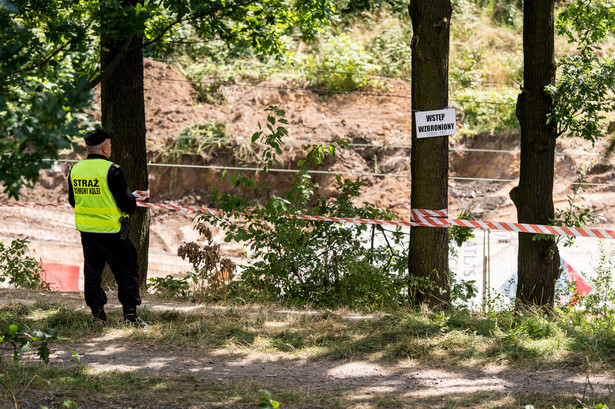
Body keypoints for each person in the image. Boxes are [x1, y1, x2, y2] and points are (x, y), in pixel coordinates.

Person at [68, 128, 149, 328]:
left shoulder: (76, 169)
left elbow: (73, 201)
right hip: (114, 233)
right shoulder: (113, 170)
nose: (110, 147)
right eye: (110, 144)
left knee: (92, 274)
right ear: (105, 147)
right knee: (127, 272)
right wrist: (133, 199)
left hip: (88, 232)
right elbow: (127, 205)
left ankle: (98, 317)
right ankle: (130, 317)